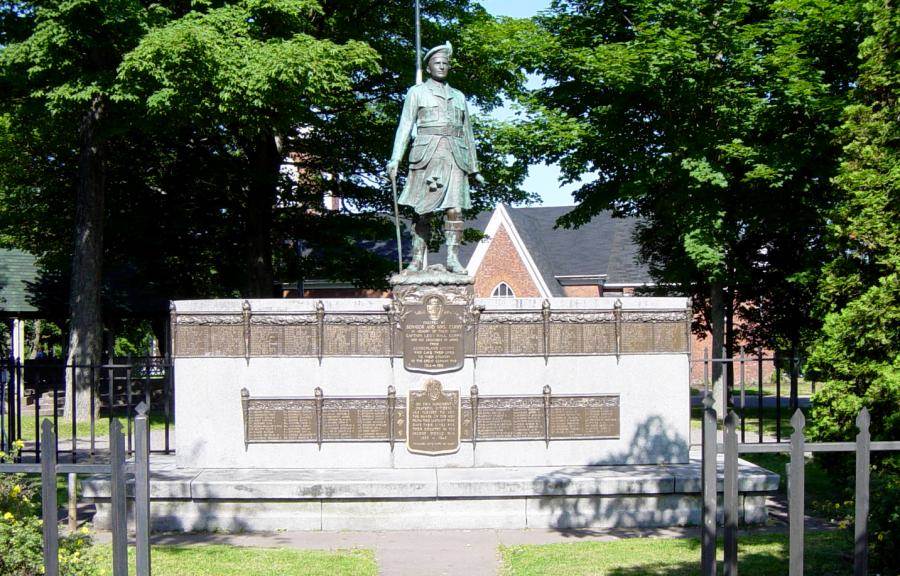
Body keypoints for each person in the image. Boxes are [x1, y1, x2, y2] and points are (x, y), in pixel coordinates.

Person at [387, 41, 485, 274]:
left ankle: (452, 258)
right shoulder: (417, 92)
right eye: (436, 63)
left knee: (455, 210)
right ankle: (416, 260)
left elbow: (468, 133)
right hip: (426, 156)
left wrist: (474, 168)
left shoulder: (459, 97)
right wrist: (395, 158)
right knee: (422, 210)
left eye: (445, 63)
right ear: (429, 68)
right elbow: (405, 126)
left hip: (455, 156)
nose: (441, 66)